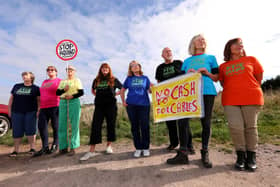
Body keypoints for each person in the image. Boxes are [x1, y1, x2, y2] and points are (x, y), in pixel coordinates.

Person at [219, 38, 264, 171]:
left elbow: (259, 77)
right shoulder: (223, 66)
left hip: (252, 97)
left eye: (241, 43)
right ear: (229, 47)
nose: (240, 45)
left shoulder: (251, 59)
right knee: (235, 127)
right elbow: (222, 83)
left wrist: (249, 88)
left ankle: (251, 157)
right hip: (230, 100)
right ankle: (240, 156)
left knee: (250, 127)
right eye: (237, 43)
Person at [181, 34, 219, 168]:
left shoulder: (211, 58)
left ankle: (205, 152)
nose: (202, 40)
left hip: (207, 91)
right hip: (189, 94)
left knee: (206, 122)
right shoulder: (186, 61)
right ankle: (183, 152)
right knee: (183, 120)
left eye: (204, 39)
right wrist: (187, 74)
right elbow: (180, 81)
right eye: (199, 39)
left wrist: (206, 73)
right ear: (193, 43)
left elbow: (216, 78)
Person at [155, 47, 195, 164]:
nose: (168, 53)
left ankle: (189, 145)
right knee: (170, 122)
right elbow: (159, 83)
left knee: (184, 122)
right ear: (162, 55)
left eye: (170, 51)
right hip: (168, 98)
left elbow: (186, 76)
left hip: (181, 96)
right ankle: (173, 143)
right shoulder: (160, 68)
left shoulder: (179, 63)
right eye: (165, 52)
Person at [80, 63, 122, 161]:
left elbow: (122, 88)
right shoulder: (96, 80)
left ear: (109, 69)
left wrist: (114, 94)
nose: (105, 69)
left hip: (111, 105)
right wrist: (98, 96)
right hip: (99, 106)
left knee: (110, 125)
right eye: (103, 68)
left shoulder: (113, 79)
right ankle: (91, 151)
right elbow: (92, 90)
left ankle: (108, 146)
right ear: (100, 70)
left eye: (106, 68)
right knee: (95, 126)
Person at [120, 60, 151, 158]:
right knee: (135, 127)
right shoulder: (129, 79)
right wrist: (123, 101)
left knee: (145, 126)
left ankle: (145, 148)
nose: (135, 66)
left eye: (136, 65)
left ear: (139, 66)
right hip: (131, 106)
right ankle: (138, 148)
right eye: (132, 66)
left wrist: (154, 87)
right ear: (130, 69)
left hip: (144, 105)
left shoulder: (145, 78)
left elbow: (150, 90)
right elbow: (122, 90)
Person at [8, 72, 40, 157]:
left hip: (31, 112)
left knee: (31, 130)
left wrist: (38, 110)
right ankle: (15, 150)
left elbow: (39, 100)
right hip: (16, 111)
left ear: (31, 77)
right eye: (23, 75)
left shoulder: (35, 88)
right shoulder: (17, 86)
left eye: (26, 75)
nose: (24, 76)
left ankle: (32, 148)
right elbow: (11, 99)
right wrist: (9, 110)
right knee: (17, 131)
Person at [33, 66, 61, 157]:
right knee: (41, 127)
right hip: (43, 107)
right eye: (48, 70)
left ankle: (55, 144)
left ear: (56, 72)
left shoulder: (59, 81)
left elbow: (62, 92)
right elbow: (41, 95)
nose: (50, 71)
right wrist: (39, 108)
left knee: (55, 126)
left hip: (55, 106)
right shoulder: (45, 82)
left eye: (52, 70)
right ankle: (45, 147)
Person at [56, 65, 84, 156]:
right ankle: (63, 147)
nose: (69, 72)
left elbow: (81, 92)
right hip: (63, 102)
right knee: (62, 124)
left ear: (74, 71)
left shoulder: (77, 80)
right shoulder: (63, 81)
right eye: (68, 70)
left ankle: (73, 146)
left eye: (71, 70)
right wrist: (64, 89)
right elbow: (57, 93)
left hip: (74, 101)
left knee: (74, 124)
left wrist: (72, 96)